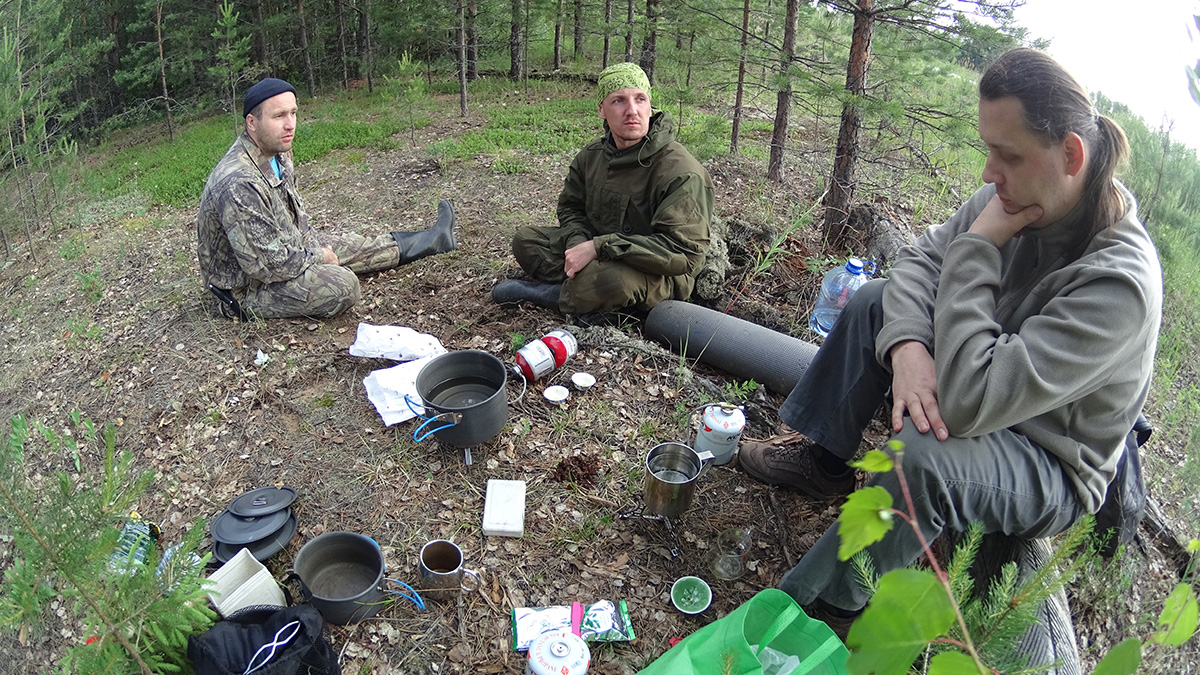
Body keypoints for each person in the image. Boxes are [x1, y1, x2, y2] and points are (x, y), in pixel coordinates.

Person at [738, 48, 1162, 636]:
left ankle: (831, 606)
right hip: (980, 378)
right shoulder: (1018, 194)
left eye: (1008, 155)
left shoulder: (1118, 284)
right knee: (873, 301)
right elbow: (917, 263)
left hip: (1047, 461)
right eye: (989, 150)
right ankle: (825, 462)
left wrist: (977, 249)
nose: (989, 173)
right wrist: (909, 348)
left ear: (1071, 154)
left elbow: (969, 402)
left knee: (921, 455)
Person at [197, 77, 457, 320]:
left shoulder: (277, 151)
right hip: (246, 289)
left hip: (285, 249)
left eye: (293, 113)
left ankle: (435, 239)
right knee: (343, 286)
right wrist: (319, 257)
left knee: (351, 244)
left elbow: (294, 220)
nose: (290, 124)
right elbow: (265, 266)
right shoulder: (239, 182)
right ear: (252, 122)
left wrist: (316, 250)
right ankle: (325, 271)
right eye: (279, 116)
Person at [491, 62, 714, 320]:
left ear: (650, 107)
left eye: (640, 99)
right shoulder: (592, 157)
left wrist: (600, 247)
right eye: (618, 101)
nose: (632, 111)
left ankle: (554, 294)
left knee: (609, 281)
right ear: (601, 110)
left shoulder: (681, 171)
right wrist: (578, 244)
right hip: (601, 251)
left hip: (658, 271)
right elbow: (571, 208)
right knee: (526, 240)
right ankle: (587, 292)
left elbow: (683, 253)